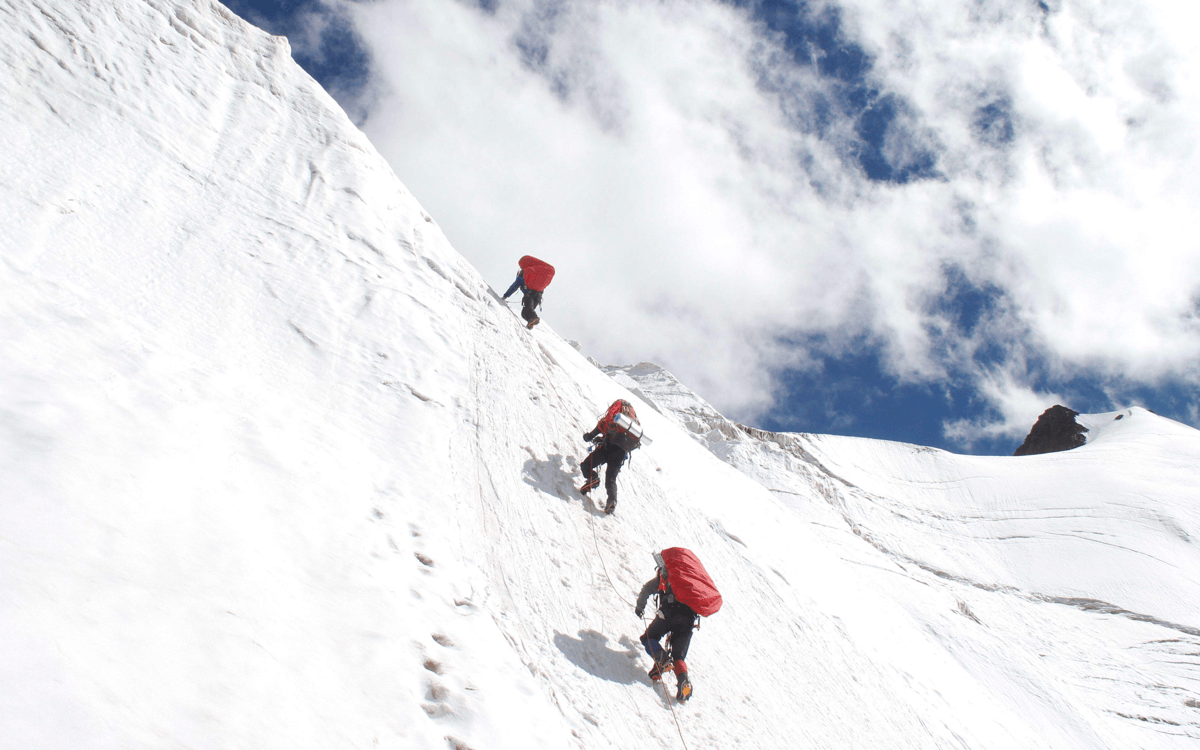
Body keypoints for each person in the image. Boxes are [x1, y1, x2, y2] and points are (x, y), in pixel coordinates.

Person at [635, 552, 696, 702]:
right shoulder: (689, 580)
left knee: (648, 638)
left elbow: (646, 590)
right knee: (678, 656)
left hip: (669, 614)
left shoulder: (666, 576)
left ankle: (661, 660)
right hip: (688, 621)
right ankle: (684, 682)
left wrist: (639, 608)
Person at [579, 399, 640, 515]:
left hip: (606, 448)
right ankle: (612, 501)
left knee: (586, 465)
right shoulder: (629, 427)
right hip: (621, 454)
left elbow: (591, 435)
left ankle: (593, 478)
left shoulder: (607, 421)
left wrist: (587, 437)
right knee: (611, 479)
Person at [502, 256, 555, 329]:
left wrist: (505, 296)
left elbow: (514, 287)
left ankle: (533, 318)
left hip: (528, 296)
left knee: (526, 312)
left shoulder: (523, 275)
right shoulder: (537, 275)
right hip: (538, 297)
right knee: (525, 313)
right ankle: (531, 322)